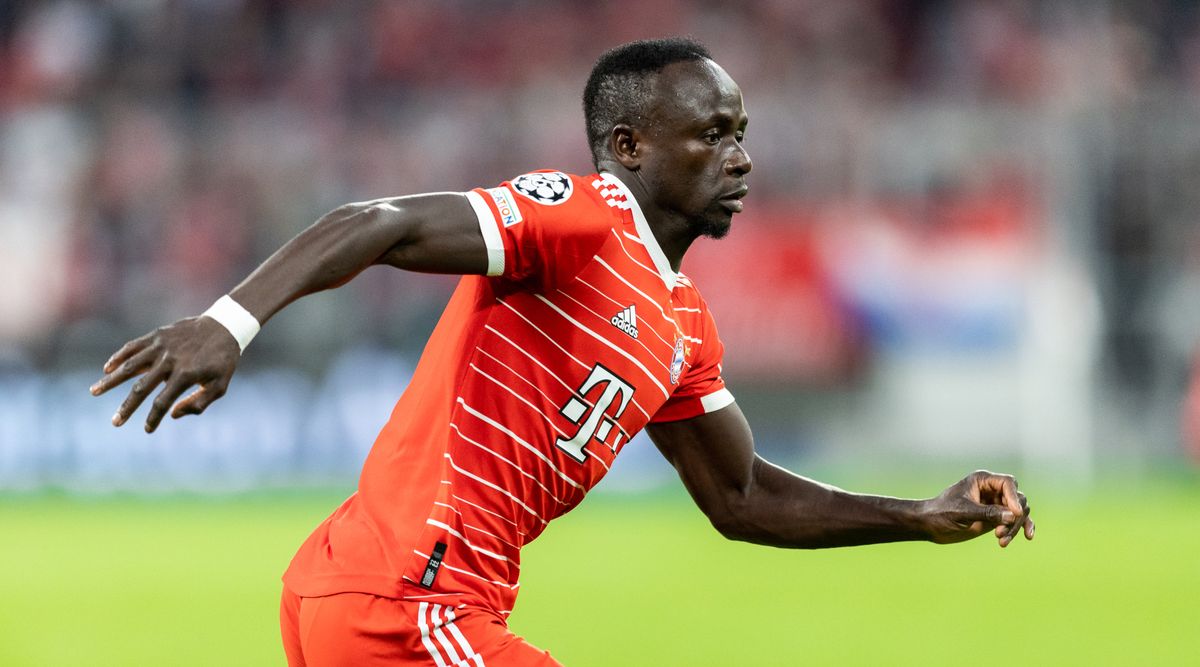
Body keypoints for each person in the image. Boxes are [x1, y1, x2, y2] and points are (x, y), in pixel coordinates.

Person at [91, 38, 1034, 667]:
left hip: (375, 593)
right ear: (627, 146)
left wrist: (918, 512)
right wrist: (228, 322)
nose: (741, 157)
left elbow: (745, 497)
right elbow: (373, 222)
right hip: (406, 600)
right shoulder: (585, 219)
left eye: (742, 134)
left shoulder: (683, 326)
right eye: (713, 135)